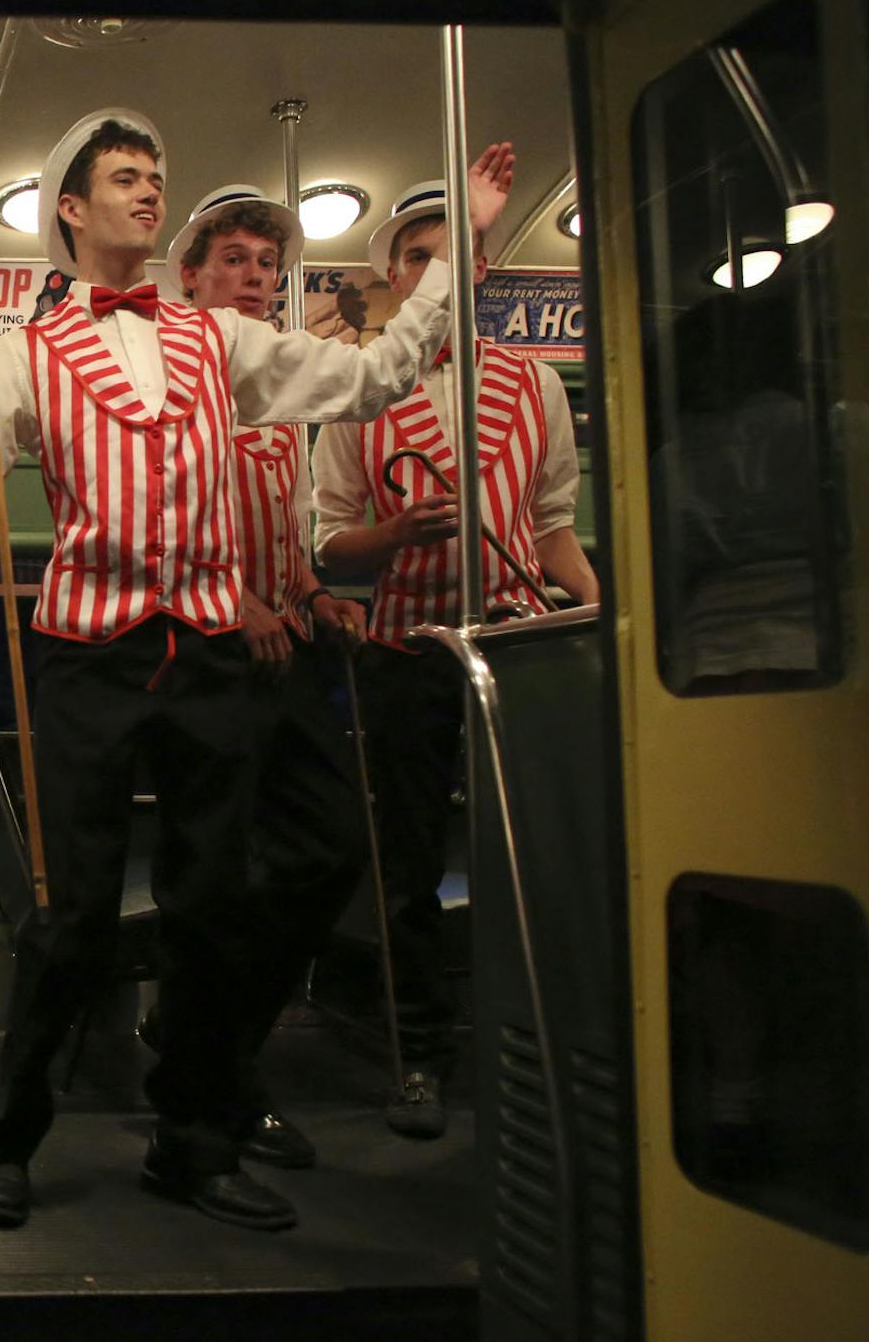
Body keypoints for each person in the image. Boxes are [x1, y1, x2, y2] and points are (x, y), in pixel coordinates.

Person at [0, 107, 512, 1232]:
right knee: (71, 914)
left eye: (157, 175)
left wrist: (459, 257)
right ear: (72, 211)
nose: (151, 192)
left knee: (212, 906)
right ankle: (8, 1133)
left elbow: (376, 376)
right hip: (86, 655)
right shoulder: (25, 352)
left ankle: (190, 1140)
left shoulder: (217, 340)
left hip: (210, 653)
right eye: (127, 178)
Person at [311, 177, 597, 1139]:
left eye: (457, 256)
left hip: (515, 649)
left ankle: (543, 1038)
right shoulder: (360, 393)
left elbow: (551, 528)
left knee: (532, 848)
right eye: (421, 258)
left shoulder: (538, 385)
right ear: (395, 276)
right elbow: (328, 544)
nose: (441, 273)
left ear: (482, 270)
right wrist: (392, 532)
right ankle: (421, 1052)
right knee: (409, 864)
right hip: (407, 652)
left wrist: (601, 621)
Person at [125, 185, 372, 1170]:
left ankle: (206, 1041)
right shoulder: (167, 378)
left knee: (329, 851)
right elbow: (148, 522)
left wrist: (312, 594)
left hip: (285, 655)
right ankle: (212, 1078)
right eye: (233, 259)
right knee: (218, 880)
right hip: (202, 656)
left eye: (267, 266)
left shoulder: (282, 395)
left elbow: (290, 528)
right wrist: (234, 599)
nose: (255, 278)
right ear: (189, 275)